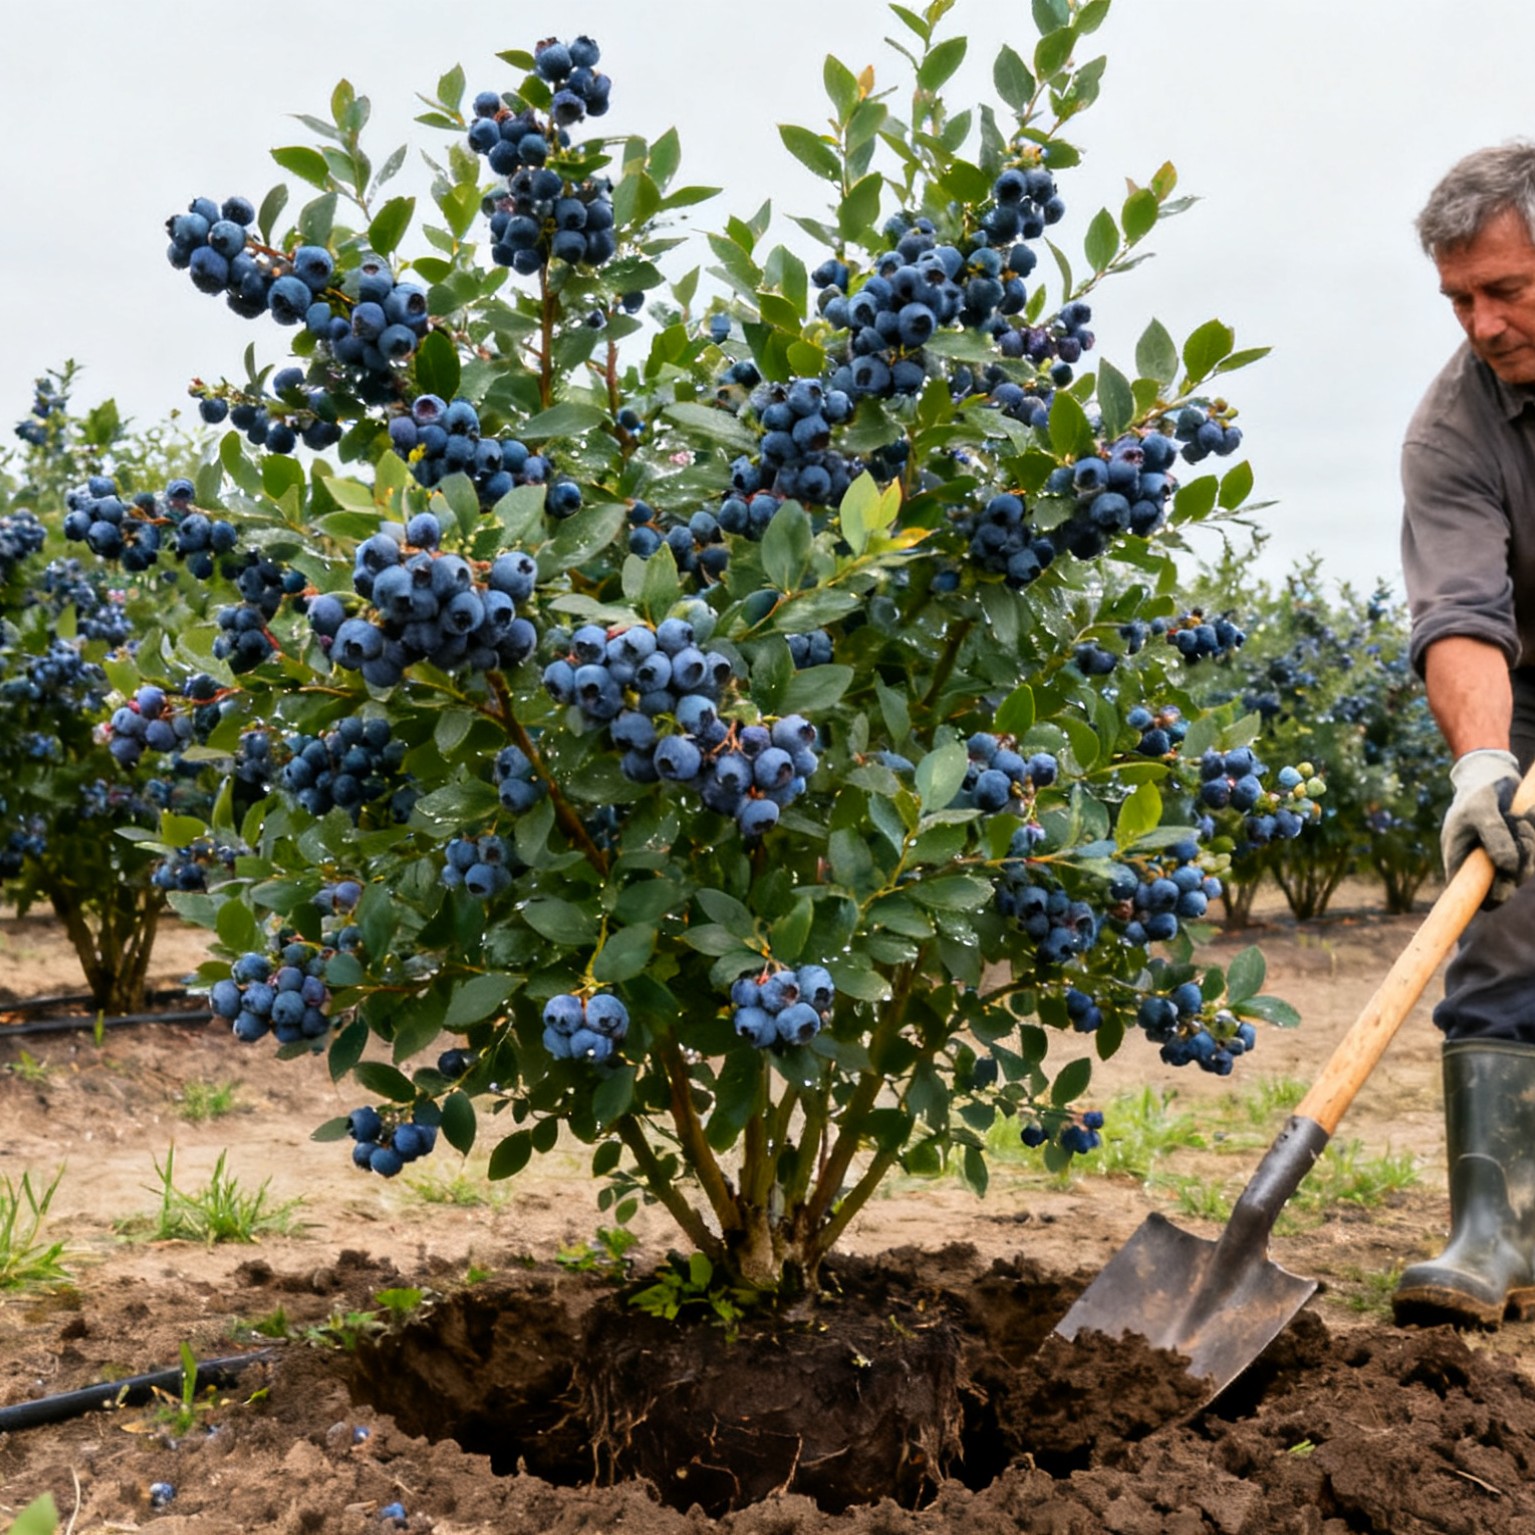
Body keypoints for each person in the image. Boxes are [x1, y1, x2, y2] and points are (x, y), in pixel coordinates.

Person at [1395, 141, 1535, 1328]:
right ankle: (1493, 1227)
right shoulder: (1450, 429)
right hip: (1526, 687)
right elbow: (1457, 613)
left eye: (1505, 290)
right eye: (1458, 299)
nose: (1480, 324)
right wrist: (1484, 761)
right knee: (1495, 926)